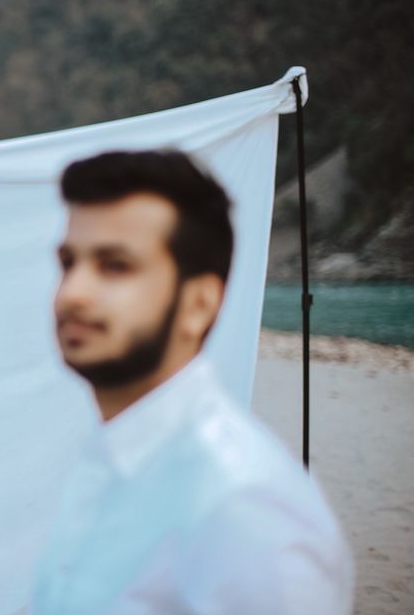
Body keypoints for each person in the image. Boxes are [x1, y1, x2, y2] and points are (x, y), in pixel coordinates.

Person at [31, 150, 354, 613]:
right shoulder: (107, 458)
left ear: (200, 304)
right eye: (68, 262)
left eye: (115, 265)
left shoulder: (247, 510)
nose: (73, 292)